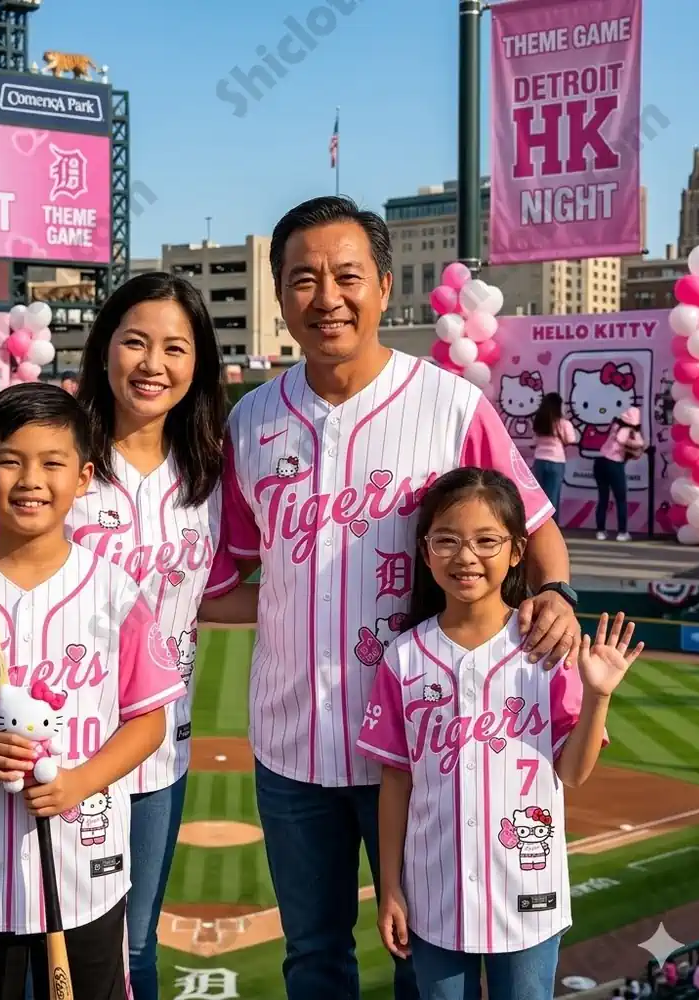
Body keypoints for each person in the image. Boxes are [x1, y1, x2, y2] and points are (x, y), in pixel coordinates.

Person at [216, 196, 580, 1000]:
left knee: (425, 957)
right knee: (312, 954)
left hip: (423, 752)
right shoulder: (250, 420)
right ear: (280, 294)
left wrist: (553, 592)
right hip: (292, 746)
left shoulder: (451, 405)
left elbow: (539, 525)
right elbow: (235, 571)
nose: (326, 298)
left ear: (384, 286)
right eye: (303, 279)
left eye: (347, 276)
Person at [0, 272, 254, 1000]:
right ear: (103, 350)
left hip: (150, 744)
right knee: (30, 938)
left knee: (128, 949)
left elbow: (211, 598)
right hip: (38, 751)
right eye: (134, 341)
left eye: (175, 348)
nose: (152, 364)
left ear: (199, 365)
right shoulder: (57, 450)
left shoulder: (210, 475)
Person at [0, 382, 192, 1000]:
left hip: (85, 871)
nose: (30, 480)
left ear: (84, 477)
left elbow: (148, 723)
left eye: (53, 463)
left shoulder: (116, 591)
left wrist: (79, 780)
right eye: (10, 460)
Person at [359, 467, 640, 1000]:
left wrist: (598, 695)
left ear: (516, 552)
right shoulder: (404, 657)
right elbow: (395, 781)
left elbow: (574, 775)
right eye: (447, 540)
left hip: (528, 892)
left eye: (487, 541)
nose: (466, 557)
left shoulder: (547, 648)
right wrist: (389, 888)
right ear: (425, 551)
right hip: (433, 893)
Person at [593, 406, 645, 543]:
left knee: (602, 498)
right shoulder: (628, 430)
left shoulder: (615, 425)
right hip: (614, 465)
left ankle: (600, 531)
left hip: (600, 462)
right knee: (621, 500)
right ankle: (622, 532)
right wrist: (633, 440)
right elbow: (639, 443)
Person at [531, 392, 577, 520]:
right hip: (556, 461)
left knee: (540, 496)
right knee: (553, 496)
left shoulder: (539, 422)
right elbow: (571, 440)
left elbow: (534, 442)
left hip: (539, 460)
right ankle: (552, 527)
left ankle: (538, 526)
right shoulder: (563, 423)